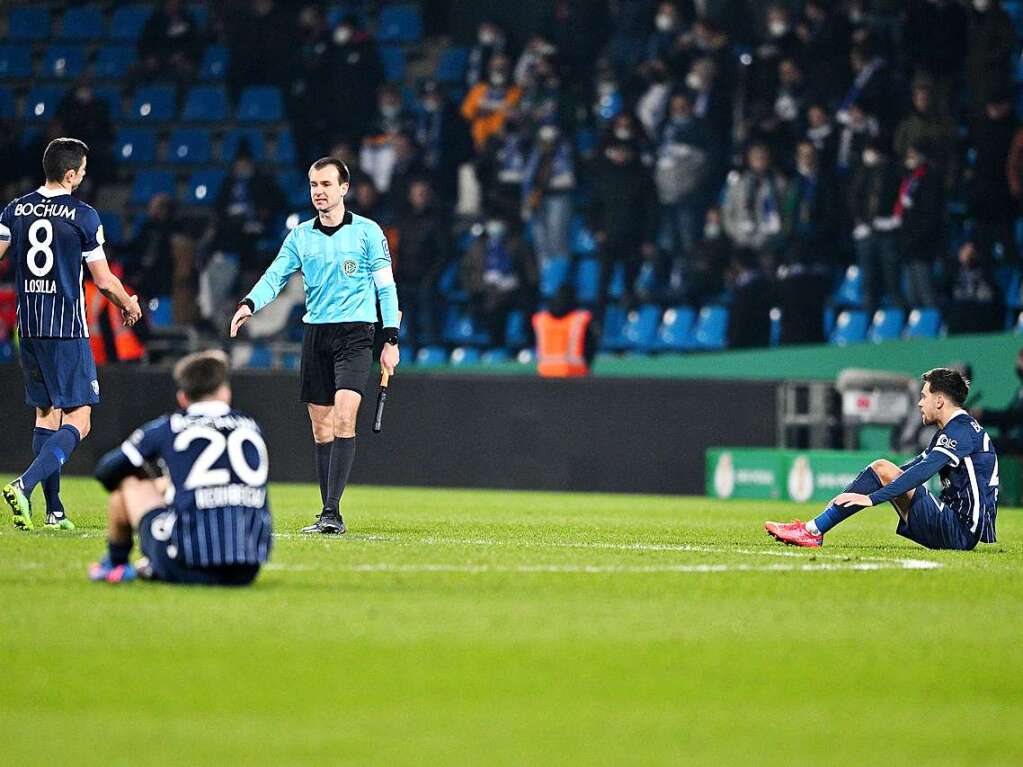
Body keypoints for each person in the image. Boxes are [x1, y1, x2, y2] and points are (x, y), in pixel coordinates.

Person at [230, 158, 400, 535]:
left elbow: (386, 288)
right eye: (312, 185)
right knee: (321, 429)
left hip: (357, 333)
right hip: (317, 335)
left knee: (344, 417)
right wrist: (248, 304)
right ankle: (327, 511)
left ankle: (332, 513)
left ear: (344, 188)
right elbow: (275, 276)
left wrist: (389, 338)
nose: (318, 191)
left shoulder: (369, 233)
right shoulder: (300, 236)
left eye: (326, 184)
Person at [0, 138, 141, 531]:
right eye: (81, 171)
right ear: (70, 173)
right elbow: (104, 281)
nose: (83, 176)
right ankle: (24, 485)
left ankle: (55, 510)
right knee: (80, 420)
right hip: (65, 328)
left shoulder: (16, 209)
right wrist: (128, 303)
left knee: (46, 415)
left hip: (26, 327)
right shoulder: (83, 215)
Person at [89, 350, 272, 585]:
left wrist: (157, 484)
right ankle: (147, 566)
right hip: (247, 569)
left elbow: (105, 471)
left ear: (183, 397)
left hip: (185, 564)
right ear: (225, 393)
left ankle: (115, 565)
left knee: (128, 481)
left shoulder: (170, 427)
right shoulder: (252, 427)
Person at [767, 368, 999, 550]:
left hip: (960, 531)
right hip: (959, 527)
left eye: (924, 396)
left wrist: (872, 498)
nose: (919, 403)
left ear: (939, 401)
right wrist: (866, 488)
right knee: (882, 469)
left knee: (883, 468)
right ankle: (816, 526)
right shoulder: (957, 429)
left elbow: (922, 473)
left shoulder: (960, 431)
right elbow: (912, 467)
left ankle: (813, 530)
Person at [532, 286, 595, 378]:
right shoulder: (580, 319)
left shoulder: (540, 319)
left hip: (544, 371)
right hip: (575, 371)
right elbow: (590, 348)